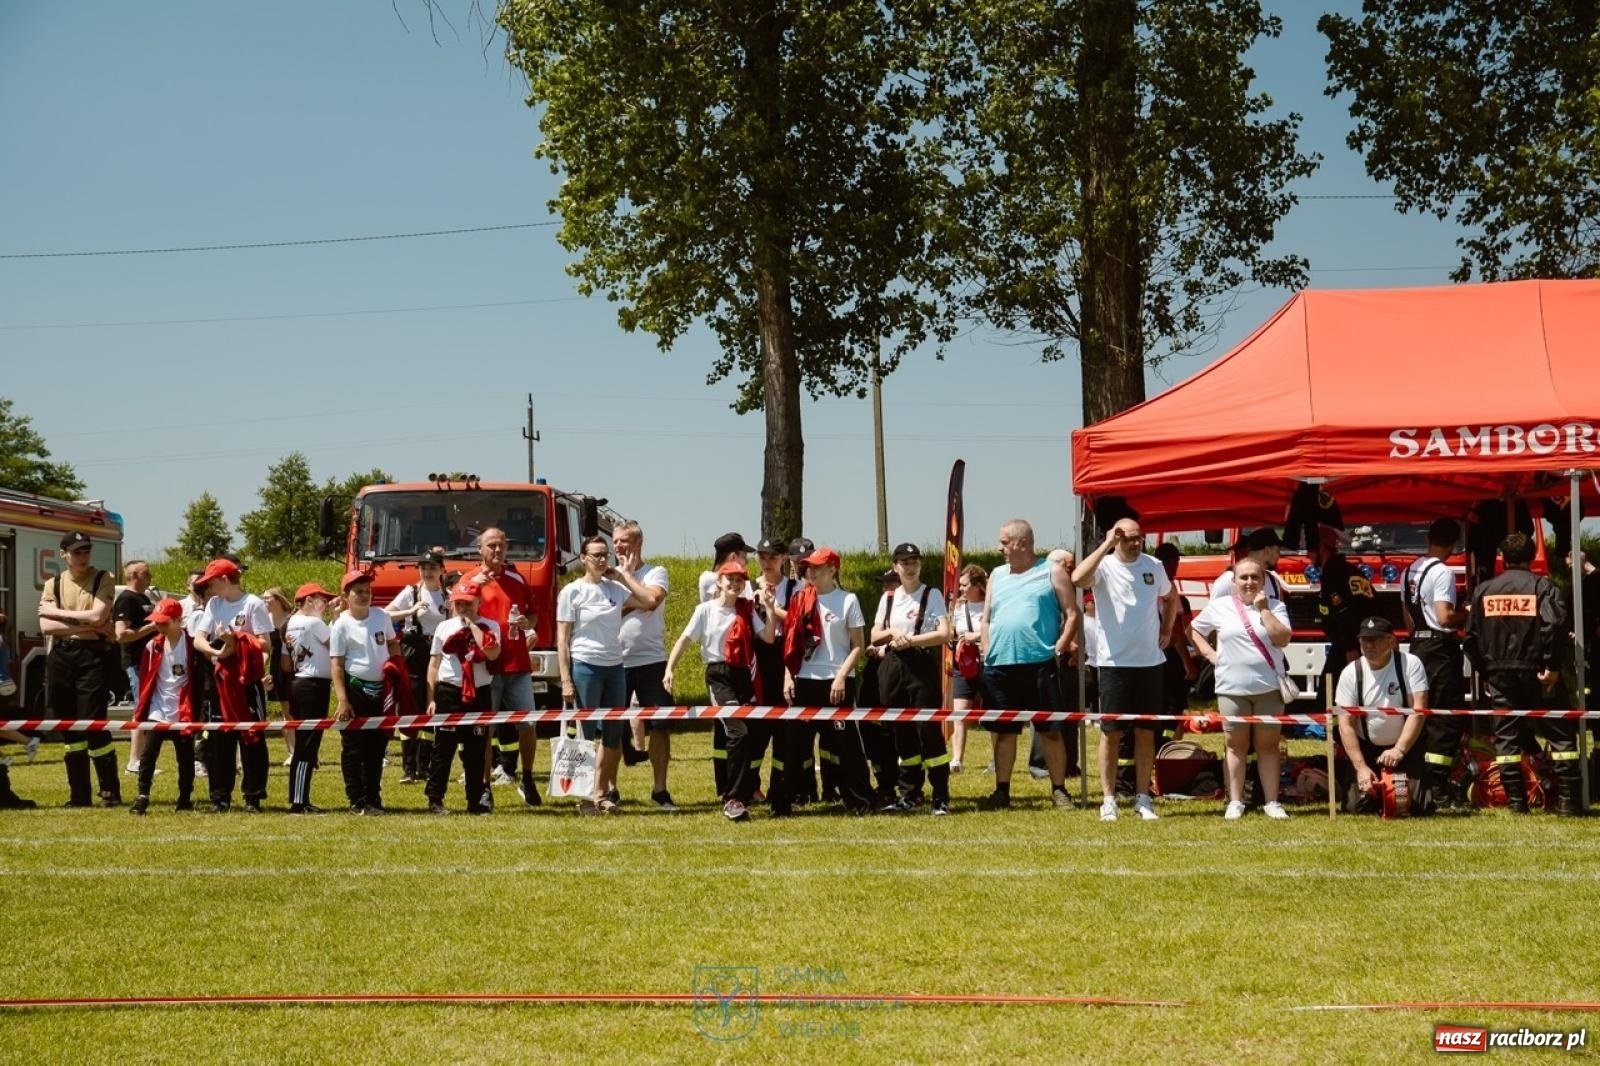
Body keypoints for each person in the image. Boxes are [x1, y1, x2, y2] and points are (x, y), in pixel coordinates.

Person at [1463, 533, 1583, 815]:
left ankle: (1516, 802)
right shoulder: (1543, 587)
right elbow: (1553, 626)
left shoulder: (1484, 591)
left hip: (1500, 674)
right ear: (1531, 557)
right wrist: (1552, 667)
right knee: (1560, 735)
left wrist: (1489, 672)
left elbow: (1470, 639)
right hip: (1539, 673)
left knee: (1507, 739)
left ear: (1502, 558)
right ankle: (1568, 801)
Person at [1073, 517, 1178, 821]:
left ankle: (1143, 798)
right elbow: (1079, 579)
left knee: (1146, 733)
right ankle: (1108, 800)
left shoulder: (1153, 566)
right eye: (1128, 538)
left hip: (1150, 663)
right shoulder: (1104, 566)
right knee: (1112, 733)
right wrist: (1105, 542)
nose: (1135, 543)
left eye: (1139, 538)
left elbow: (1170, 597)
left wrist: (1168, 628)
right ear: (1117, 539)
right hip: (1114, 664)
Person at [664, 559, 775, 821]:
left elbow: (768, 638)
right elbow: (685, 640)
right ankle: (732, 798)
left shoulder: (746, 610)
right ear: (719, 582)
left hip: (742, 675)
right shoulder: (705, 610)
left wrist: (769, 609)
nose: (735, 584)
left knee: (750, 735)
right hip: (719, 676)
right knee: (738, 732)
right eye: (730, 580)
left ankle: (743, 790)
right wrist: (670, 669)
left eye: (740, 581)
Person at [980, 520, 1079, 811]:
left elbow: (1072, 613)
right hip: (999, 666)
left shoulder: (1052, 571)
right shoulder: (996, 575)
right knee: (1004, 732)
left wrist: (1059, 648)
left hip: (1039, 664)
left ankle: (1059, 790)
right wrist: (987, 650)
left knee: (1050, 730)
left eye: (1005, 542)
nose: (1000, 548)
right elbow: (986, 618)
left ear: (1023, 543)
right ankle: (1002, 791)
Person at [557, 534, 658, 814]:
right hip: (585, 667)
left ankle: (602, 793)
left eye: (605, 555)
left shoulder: (615, 588)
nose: (602, 560)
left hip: (615, 668)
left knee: (613, 734)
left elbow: (649, 600)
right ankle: (585, 797)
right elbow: (562, 640)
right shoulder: (571, 592)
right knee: (585, 735)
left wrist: (624, 578)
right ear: (583, 559)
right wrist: (566, 679)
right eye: (596, 555)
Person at [1189, 558, 1292, 820]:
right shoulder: (1220, 606)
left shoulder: (1277, 606)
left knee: (1268, 746)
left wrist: (1264, 610)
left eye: (1255, 577)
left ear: (1264, 581)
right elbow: (1193, 630)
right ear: (1233, 582)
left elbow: (1283, 639)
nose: (1249, 582)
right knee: (1235, 746)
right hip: (1231, 688)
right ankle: (1235, 801)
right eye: (1243, 577)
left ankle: (1272, 802)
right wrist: (1211, 656)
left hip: (1269, 687)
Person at [777, 547, 875, 815]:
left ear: (833, 570)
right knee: (795, 745)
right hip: (806, 679)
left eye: (818, 567)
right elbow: (792, 645)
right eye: (809, 567)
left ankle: (859, 801)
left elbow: (858, 645)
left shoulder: (848, 600)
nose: (812, 571)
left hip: (837, 681)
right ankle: (785, 802)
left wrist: (841, 676)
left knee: (846, 744)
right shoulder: (800, 599)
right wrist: (789, 675)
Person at [39, 530, 120, 807]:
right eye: (76, 552)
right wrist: (89, 624)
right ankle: (79, 796)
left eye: (86, 551)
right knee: (69, 729)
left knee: (93, 724)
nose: (82, 557)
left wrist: (62, 615)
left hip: (93, 656)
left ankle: (110, 791)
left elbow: (99, 615)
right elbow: (46, 626)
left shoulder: (104, 578)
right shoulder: (54, 583)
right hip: (61, 655)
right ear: (64, 555)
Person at [462, 528, 541, 809]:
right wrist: (475, 587)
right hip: (486, 667)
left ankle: (528, 778)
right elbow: (456, 614)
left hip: (518, 664)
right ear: (480, 550)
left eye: (502, 545)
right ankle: (484, 787)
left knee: (528, 726)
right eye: (491, 546)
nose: (497, 550)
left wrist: (527, 624)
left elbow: (532, 614)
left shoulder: (517, 577)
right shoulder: (470, 579)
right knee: (487, 730)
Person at [873, 543, 953, 814]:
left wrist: (912, 639)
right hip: (894, 666)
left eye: (914, 561)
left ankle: (940, 795)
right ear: (895, 566)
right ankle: (909, 793)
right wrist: (894, 632)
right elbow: (874, 635)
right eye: (904, 562)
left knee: (928, 730)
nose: (910, 566)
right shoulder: (889, 598)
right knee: (901, 731)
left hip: (920, 665)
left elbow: (944, 633)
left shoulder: (931, 594)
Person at [192, 557, 274, 813]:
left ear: (225, 580)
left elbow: (265, 643)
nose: (209, 588)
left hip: (246, 680)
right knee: (219, 739)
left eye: (212, 582)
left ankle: (253, 796)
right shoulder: (214, 604)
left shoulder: (253, 604)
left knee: (252, 738)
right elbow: (199, 639)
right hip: (222, 679)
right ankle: (220, 796)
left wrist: (236, 640)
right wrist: (216, 652)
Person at [1400, 517, 1469, 808]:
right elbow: (1444, 617)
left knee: (1420, 709)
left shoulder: (1409, 569)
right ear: (1454, 544)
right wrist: (1466, 612)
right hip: (1440, 648)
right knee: (1445, 715)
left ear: (1429, 537)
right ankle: (1438, 785)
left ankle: (1421, 778)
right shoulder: (1442, 572)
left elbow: (1407, 617)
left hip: (1417, 644)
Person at [1334, 616, 1432, 815]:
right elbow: (1345, 725)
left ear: (1391, 641)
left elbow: (1419, 711)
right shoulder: (1350, 673)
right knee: (1355, 808)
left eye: (1376, 640)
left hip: (1404, 748)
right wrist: (1360, 767)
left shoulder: (1410, 664)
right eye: (1365, 640)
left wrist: (1399, 750)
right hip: (1366, 749)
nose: (1370, 646)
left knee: (1416, 807)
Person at [614, 521, 678, 811]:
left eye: (624, 541)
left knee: (660, 726)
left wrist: (628, 580)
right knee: (612, 727)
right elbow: (606, 612)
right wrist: (632, 600)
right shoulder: (605, 577)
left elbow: (652, 600)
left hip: (652, 661)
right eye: (615, 541)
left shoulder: (655, 572)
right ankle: (609, 789)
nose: (618, 547)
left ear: (638, 543)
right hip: (615, 661)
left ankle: (660, 790)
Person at [425, 582, 501, 815]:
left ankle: (475, 800)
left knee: (476, 750)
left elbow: (492, 653)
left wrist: (473, 626)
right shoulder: (444, 627)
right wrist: (431, 697)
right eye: (458, 603)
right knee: (443, 748)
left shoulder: (490, 626)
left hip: (479, 693)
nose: (463, 607)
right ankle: (435, 799)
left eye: (468, 603)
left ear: (479, 602)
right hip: (449, 692)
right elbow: (434, 664)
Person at [330, 569, 395, 815]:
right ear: (346, 595)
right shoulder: (341, 625)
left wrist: (396, 666)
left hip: (381, 690)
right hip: (355, 688)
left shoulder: (381, 616)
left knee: (377, 747)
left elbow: (392, 643)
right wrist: (343, 700)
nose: (364, 595)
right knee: (354, 747)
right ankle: (356, 799)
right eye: (358, 591)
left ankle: (373, 797)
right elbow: (336, 664)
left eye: (368, 591)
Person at [128, 598, 196, 815]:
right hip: (158, 709)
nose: (159, 626)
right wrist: (143, 709)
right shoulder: (152, 645)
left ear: (178, 620)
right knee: (148, 755)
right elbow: (147, 680)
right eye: (156, 622)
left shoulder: (192, 644)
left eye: (164, 622)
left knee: (185, 758)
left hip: (183, 710)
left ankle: (185, 798)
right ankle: (142, 796)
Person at [699, 532, 754, 795]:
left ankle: (732, 787)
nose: (745, 563)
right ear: (734, 556)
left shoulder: (721, 581)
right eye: (744, 556)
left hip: (740, 665)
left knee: (732, 732)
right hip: (724, 663)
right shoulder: (718, 581)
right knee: (736, 731)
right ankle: (732, 790)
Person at [387, 549, 448, 785]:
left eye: (432, 567)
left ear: (441, 570)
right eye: (423, 567)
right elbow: (386, 615)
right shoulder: (411, 592)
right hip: (413, 651)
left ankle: (425, 764)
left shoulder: (447, 596)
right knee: (410, 706)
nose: (427, 572)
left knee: (432, 706)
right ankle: (408, 767)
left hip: (439, 652)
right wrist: (409, 612)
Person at [284, 583, 336, 814]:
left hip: (300, 682)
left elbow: (286, 662)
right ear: (308, 601)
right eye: (321, 601)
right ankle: (298, 800)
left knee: (306, 743)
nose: (324, 605)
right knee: (307, 745)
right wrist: (335, 619)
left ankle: (300, 797)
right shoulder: (313, 623)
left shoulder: (291, 624)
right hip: (313, 685)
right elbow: (336, 645)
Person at [112, 559, 158, 774]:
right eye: (146, 573)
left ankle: (143, 760)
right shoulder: (126, 600)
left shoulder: (144, 598)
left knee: (147, 708)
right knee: (140, 709)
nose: (150, 576)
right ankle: (134, 761)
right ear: (134, 575)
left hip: (149, 661)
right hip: (136, 662)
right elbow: (121, 634)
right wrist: (151, 628)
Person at [946, 564, 987, 774]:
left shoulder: (992, 605)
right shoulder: (958, 608)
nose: (960, 589)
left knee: (993, 714)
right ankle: (957, 759)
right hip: (962, 666)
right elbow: (951, 632)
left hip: (988, 664)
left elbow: (997, 629)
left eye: (964, 585)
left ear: (978, 585)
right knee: (959, 713)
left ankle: (996, 761)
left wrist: (977, 636)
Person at [259, 586, 295, 769]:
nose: (264, 601)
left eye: (267, 598)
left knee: (297, 711)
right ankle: (292, 752)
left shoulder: (293, 617)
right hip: (276, 668)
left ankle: (305, 751)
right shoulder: (265, 621)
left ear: (278, 599)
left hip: (294, 667)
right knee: (285, 711)